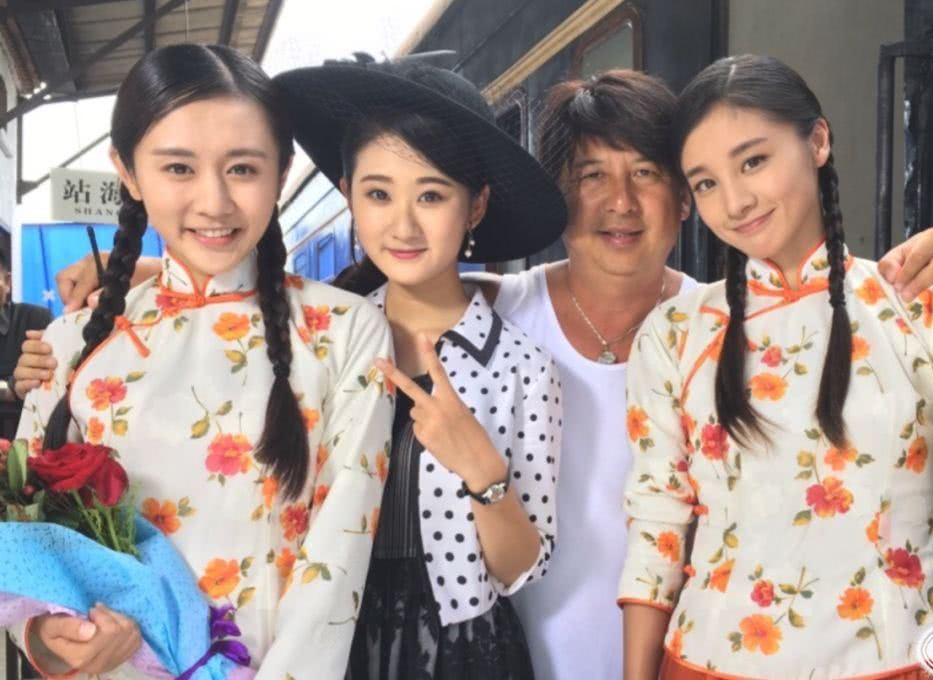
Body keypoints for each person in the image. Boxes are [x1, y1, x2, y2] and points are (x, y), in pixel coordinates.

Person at [18, 67, 933, 680]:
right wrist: (148, 289)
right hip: (356, 645)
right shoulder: (363, 330)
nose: (619, 203)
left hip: (655, 650)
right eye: (592, 175)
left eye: (650, 175)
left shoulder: (707, 330)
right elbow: (401, 292)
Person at [619, 54, 933, 680]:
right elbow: (657, 530)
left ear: (817, 141)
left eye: (753, 161)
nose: (735, 201)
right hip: (707, 664)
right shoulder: (674, 333)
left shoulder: (918, 300)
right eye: (705, 183)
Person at [14, 44, 392, 679]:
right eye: (178, 168)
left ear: (282, 171)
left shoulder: (344, 331)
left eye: (242, 168)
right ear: (128, 172)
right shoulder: (72, 342)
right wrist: (50, 635)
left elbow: (338, 558)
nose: (214, 202)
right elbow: (28, 546)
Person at [274, 54, 565, 679]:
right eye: (378, 194)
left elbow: (521, 569)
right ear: (349, 196)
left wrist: (482, 469)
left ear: (475, 207)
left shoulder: (522, 367)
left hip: (462, 657)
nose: (402, 224)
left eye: (431, 195)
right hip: (330, 642)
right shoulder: (322, 340)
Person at [0, 250, 51, 438]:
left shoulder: (36, 319)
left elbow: (49, 385)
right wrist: (10, 387)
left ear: (7, 282)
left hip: (21, 441)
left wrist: (13, 388)